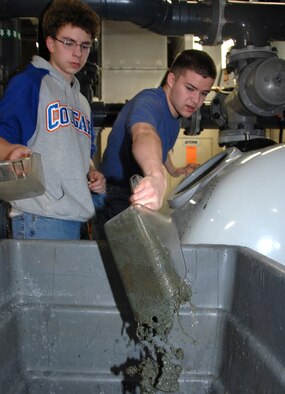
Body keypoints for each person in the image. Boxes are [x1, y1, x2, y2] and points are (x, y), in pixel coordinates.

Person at [0, 0, 105, 240]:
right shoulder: (30, 83)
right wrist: (10, 152)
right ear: (50, 43)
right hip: (39, 217)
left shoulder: (82, 102)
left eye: (85, 46)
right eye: (68, 43)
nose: (78, 53)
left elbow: (84, 157)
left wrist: (92, 174)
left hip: (74, 217)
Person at [99, 49, 217, 220]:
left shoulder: (176, 111)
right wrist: (156, 174)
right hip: (114, 194)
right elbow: (144, 133)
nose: (196, 100)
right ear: (171, 79)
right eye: (190, 88)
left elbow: (160, 145)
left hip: (135, 190)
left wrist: (174, 170)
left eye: (204, 93)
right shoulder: (150, 102)